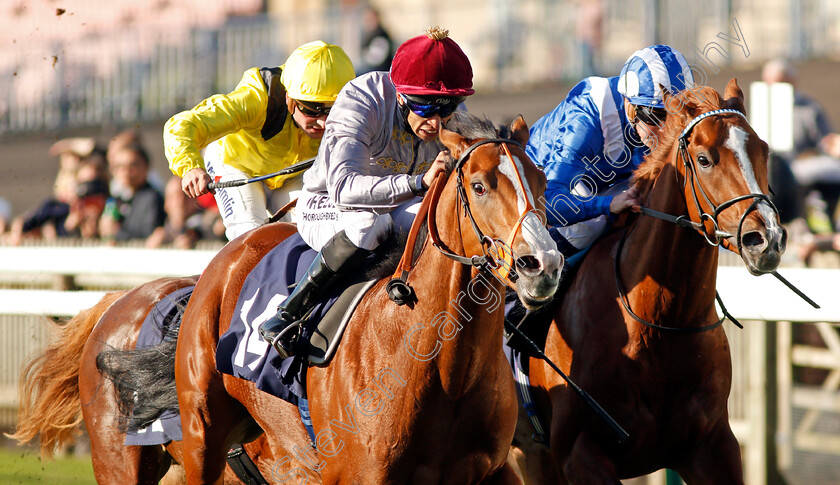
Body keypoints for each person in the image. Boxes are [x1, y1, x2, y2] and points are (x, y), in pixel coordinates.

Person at [259, 26, 474, 358]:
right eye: (426, 108)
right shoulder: (361, 100)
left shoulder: (451, 119)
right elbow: (344, 188)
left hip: (397, 203)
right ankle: (289, 313)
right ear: (401, 95)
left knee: (442, 227)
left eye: (447, 108)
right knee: (371, 226)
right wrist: (417, 183)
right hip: (328, 202)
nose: (437, 122)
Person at [163, 41, 356, 241]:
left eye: (333, 110)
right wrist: (190, 167)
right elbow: (182, 124)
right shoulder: (257, 98)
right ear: (289, 97)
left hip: (294, 172)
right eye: (312, 109)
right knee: (253, 237)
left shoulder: (356, 107)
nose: (323, 122)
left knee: (319, 229)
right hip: (235, 165)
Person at [526, 44, 694, 252]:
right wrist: (607, 204)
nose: (666, 131)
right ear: (630, 105)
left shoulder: (648, 117)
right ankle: (540, 279)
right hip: (541, 185)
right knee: (590, 226)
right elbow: (550, 204)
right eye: (656, 116)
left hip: (603, 181)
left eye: (674, 117)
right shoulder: (586, 118)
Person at [762, 59, 840, 230]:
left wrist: (816, 151)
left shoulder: (809, 109)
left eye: (780, 81)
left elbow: (825, 143)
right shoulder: (763, 109)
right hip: (771, 166)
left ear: (792, 81)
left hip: (799, 164)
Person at [99, 144, 166, 242]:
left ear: (146, 167)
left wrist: (117, 232)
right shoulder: (116, 198)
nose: (126, 171)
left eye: (133, 165)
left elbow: (148, 235)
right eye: (120, 166)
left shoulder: (152, 198)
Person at [356, 6, 395, 75]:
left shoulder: (380, 35)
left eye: (369, 19)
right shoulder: (370, 34)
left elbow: (375, 61)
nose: (366, 22)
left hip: (380, 74)